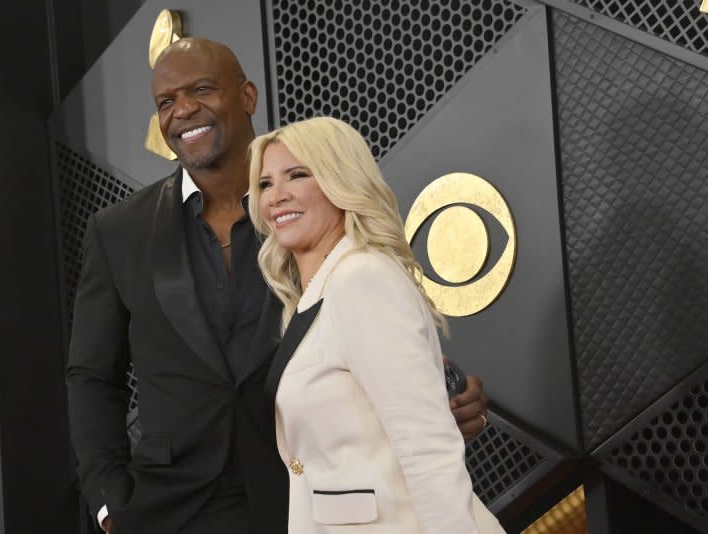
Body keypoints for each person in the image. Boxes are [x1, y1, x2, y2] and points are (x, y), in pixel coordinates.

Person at [67, 37, 489, 534]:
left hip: (304, 497)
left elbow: (366, 325)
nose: (183, 110)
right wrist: (108, 499)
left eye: (201, 89)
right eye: (166, 101)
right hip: (169, 508)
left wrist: (440, 388)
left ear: (247, 97)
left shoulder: (307, 211)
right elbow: (92, 375)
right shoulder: (117, 231)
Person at [248, 116, 505, 533]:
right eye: (265, 183)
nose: (277, 196)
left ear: (339, 180)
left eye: (297, 175)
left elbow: (426, 447)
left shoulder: (361, 279)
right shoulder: (319, 295)